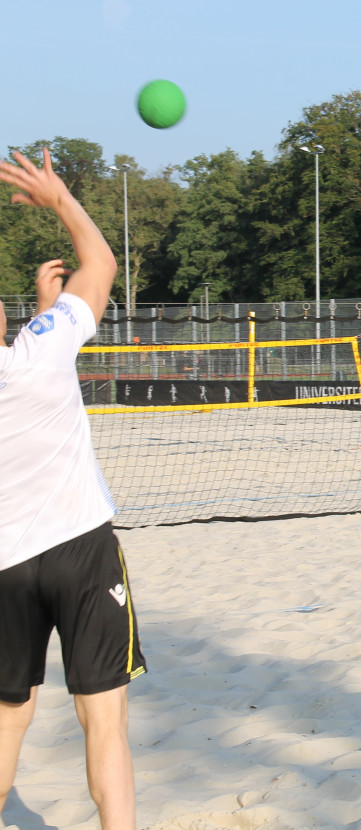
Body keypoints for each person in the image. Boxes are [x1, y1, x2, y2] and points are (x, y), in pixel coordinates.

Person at [0, 148, 146, 829]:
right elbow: (102, 265)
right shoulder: (40, 350)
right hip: (80, 551)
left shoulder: (36, 344)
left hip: (6, 565)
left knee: (8, 719)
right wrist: (60, 200)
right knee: (104, 719)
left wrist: (41, 311)